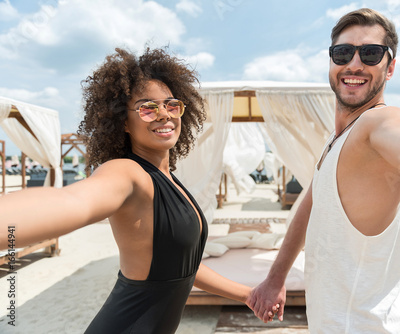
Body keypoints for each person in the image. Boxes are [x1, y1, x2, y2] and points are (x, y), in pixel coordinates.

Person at [248, 8, 400, 333]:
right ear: (330, 61)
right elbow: (311, 203)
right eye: (343, 53)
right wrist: (275, 278)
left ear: (390, 67)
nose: (354, 64)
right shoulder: (335, 140)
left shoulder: (377, 125)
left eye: (370, 53)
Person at [0, 47, 268, 333]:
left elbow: (182, 268)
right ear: (124, 122)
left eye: (171, 104)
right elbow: (72, 200)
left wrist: (247, 295)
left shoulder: (169, 179)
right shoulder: (127, 173)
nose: (163, 114)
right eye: (147, 108)